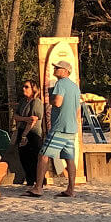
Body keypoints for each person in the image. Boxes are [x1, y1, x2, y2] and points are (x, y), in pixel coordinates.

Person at [28, 58, 80, 198]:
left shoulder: (60, 83)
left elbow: (57, 102)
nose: (54, 69)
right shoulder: (75, 86)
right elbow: (77, 107)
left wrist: (49, 99)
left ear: (65, 71)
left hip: (59, 127)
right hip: (71, 127)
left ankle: (38, 187)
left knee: (43, 155)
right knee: (69, 159)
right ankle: (71, 189)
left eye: (57, 68)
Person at [11, 78, 42, 185]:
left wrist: (25, 135)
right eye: (23, 86)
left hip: (32, 133)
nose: (23, 88)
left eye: (26, 87)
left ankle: (37, 181)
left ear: (33, 89)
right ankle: (29, 181)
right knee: (24, 158)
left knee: (33, 159)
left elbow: (33, 120)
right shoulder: (23, 101)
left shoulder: (36, 102)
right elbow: (15, 116)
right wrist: (25, 119)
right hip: (22, 130)